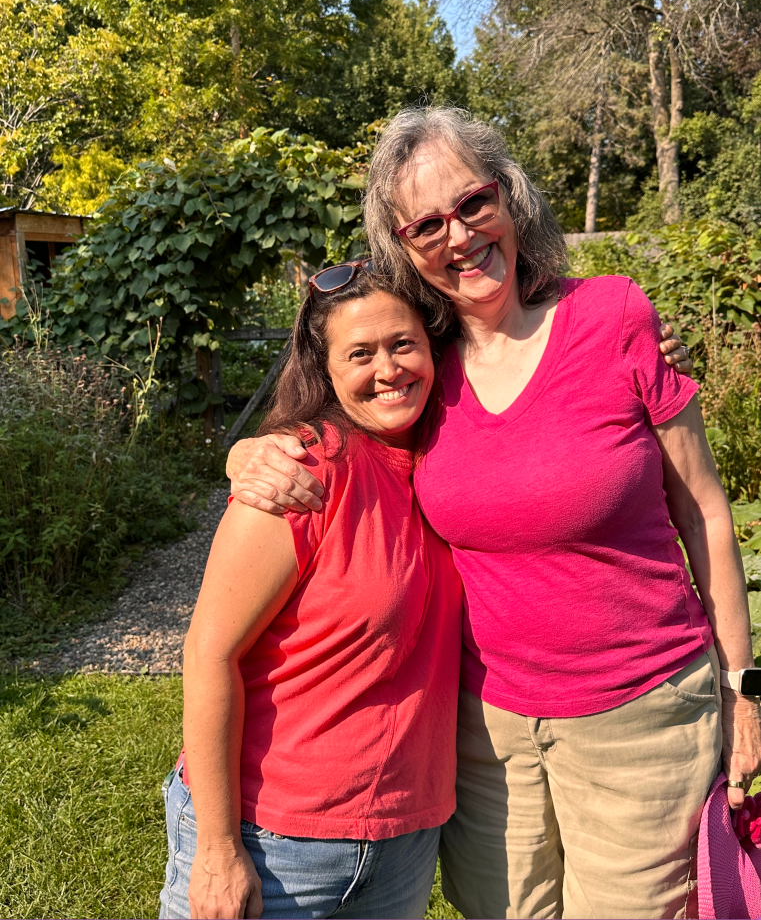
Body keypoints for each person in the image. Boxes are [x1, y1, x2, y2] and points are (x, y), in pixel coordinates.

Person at [226, 106, 761, 920]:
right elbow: (336, 423)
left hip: (642, 716)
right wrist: (244, 453)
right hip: (487, 733)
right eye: (426, 225)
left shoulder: (613, 315)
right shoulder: (420, 366)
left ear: (509, 198)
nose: (459, 236)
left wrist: (742, 684)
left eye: (473, 204)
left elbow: (707, 516)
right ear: (402, 248)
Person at [159, 266, 463, 920]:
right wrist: (217, 848)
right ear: (325, 371)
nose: (387, 368)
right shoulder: (300, 472)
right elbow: (209, 653)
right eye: (360, 353)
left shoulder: (449, 466)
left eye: (402, 344)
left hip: (402, 842)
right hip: (273, 841)